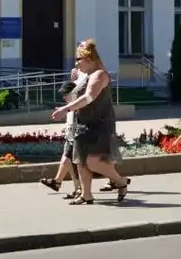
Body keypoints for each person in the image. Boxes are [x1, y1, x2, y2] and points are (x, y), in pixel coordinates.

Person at [50, 39, 131, 204]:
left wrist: (65, 109)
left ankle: (121, 181)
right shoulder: (86, 75)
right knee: (80, 159)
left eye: (78, 59)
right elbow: (74, 95)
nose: (76, 63)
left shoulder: (99, 75)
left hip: (99, 123)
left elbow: (88, 97)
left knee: (92, 161)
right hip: (83, 122)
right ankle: (86, 194)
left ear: (89, 59)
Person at [40, 61, 85, 199]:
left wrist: (75, 80)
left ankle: (118, 181)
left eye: (66, 94)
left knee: (70, 162)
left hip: (77, 137)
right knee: (68, 162)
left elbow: (80, 90)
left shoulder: (77, 105)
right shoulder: (69, 106)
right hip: (70, 136)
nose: (64, 97)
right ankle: (73, 187)